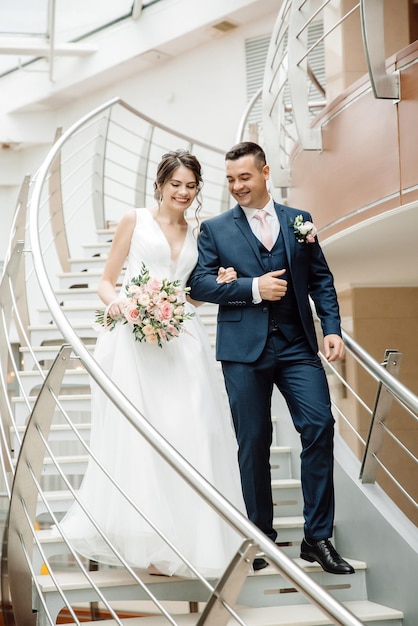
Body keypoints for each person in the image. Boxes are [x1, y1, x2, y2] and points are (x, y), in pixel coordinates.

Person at [58, 149, 246, 578]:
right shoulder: (134, 220)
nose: (183, 192)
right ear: (160, 183)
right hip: (136, 340)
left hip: (183, 337)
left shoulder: (201, 233)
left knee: (191, 431)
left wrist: (216, 284)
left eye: (191, 185)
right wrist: (123, 305)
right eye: (175, 184)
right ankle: (152, 541)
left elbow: (192, 294)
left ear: (198, 189)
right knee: (144, 437)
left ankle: (191, 541)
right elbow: (106, 282)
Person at [188, 141, 355, 575]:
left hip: (298, 345)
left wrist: (332, 329)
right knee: (254, 441)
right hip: (243, 352)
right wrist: (251, 288)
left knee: (320, 425)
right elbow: (199, 286)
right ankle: (259, 537)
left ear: (264, 172)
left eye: (244, 177)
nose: (237, 186)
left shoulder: (300, 222)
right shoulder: (215, 228)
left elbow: (321, 278)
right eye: (229, 180)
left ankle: (317, 537)